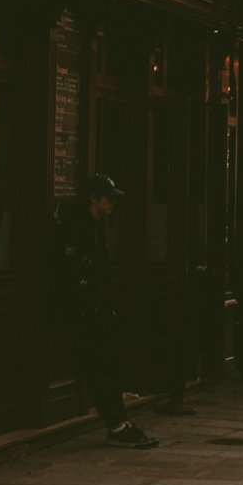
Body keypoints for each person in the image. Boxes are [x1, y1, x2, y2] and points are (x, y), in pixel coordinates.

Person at [55, 174, 158, 450]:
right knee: (101, 368)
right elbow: (74, 273)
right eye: (108, 197)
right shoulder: (78, 228)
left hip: (97, 310)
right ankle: (116, 425)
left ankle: (119, 422)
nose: (113, 203)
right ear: (93, 198)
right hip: (87, 313)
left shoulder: (95, 226)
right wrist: (88, 309)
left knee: (108, 366)